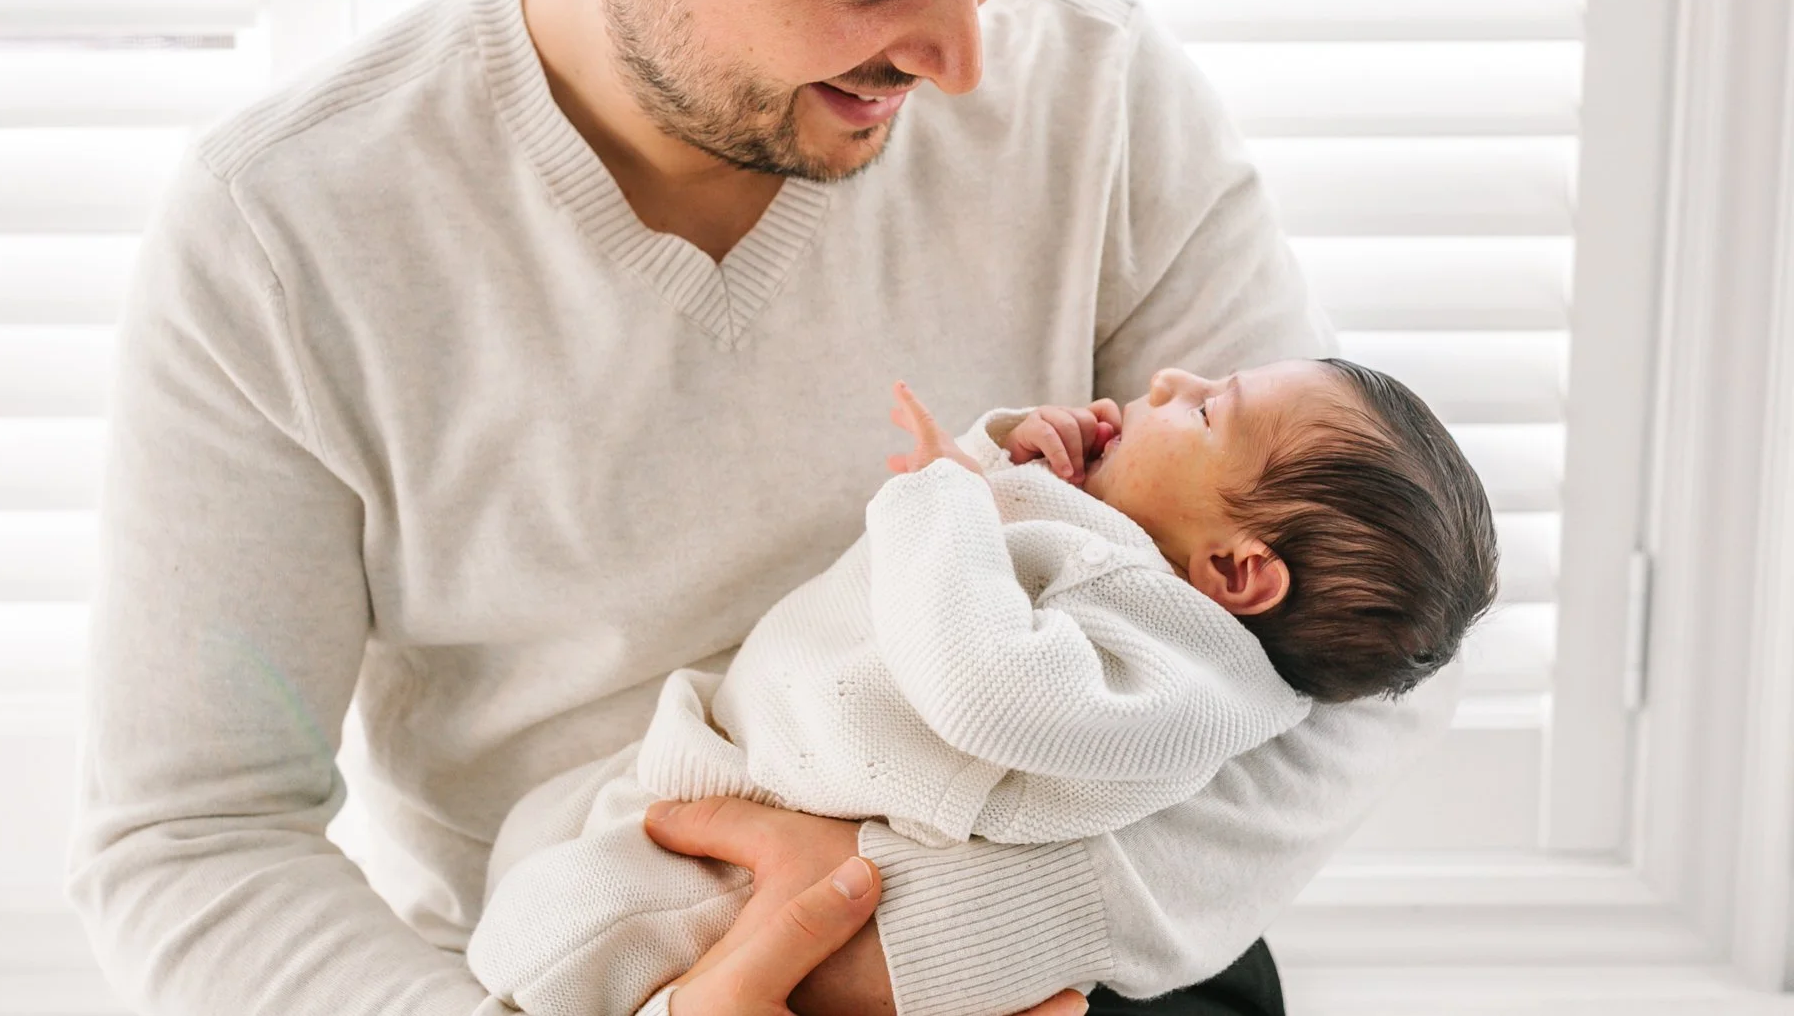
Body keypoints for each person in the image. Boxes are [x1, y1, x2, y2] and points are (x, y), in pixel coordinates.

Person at [65, 0, 1468, 1013]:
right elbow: (192, 838)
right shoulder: (285, 232)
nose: (964, 54)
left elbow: (1373, 633)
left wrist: (938, 940)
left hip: (1080, 965)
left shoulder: (1094, 86)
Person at [466, 367, 1498, 1014]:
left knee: (551, 939)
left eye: (1202, 409)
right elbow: (1010, 582)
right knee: (532, 846)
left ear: (1235, 571)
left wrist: (946, 491)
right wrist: (1022, 464)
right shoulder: (1156, 597)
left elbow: (984, 683)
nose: (1166, 380)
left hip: (777, 847)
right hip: (728, 769)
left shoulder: (1177, 674)